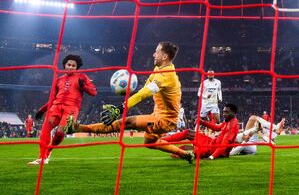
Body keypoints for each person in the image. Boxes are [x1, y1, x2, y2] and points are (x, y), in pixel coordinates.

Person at [65, 42, 195, 163]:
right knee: (149, 142)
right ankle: (185, 154)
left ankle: (78, 127)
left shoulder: (167, 75)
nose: (154, 54)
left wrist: (120, 108)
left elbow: (145, 93)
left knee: (127, 122)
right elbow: (146, 87)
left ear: (164, 56)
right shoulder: (159, 70)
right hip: (157, 114)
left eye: (157, 52)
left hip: (166, 120)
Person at [28, 54, 97, 165]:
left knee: (60, 133)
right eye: (68, 64)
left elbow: (93, 92)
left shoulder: (82, 77)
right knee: (46, 128)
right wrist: (42, 110)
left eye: (73, 65)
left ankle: (49, 150)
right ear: (64, 65)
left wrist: (83, 86)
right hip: (56, 107)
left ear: (77, 67)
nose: (70, 67)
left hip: (71, 109)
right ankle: (42, 158)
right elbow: (52, 98)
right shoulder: (59, 80)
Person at [163, 103, 239, 160]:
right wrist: (203, 122)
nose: (224, 114)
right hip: (211, 143)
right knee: (188, 133)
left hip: (212, 150)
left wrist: (211, 157)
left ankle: (161, 142)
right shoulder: (228, 121)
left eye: (227, 112)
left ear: (234, 113)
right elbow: (217, 128)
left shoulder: (232, 125)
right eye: (223, 112)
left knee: (182, 149)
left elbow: (224, 145)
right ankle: (161, 141)